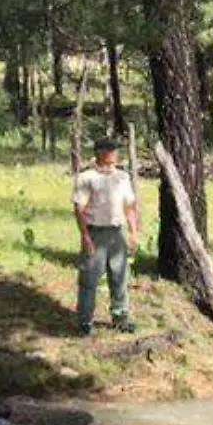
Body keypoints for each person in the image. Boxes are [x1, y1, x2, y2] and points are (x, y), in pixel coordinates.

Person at [74, 137, 141, 336]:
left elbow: (129, 206)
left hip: (117, 232)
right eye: (110, 149)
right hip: (96, 232)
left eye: (116, 149)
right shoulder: (87, 177)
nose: (114, 153)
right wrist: (85, 236)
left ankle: (120, 316)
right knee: (90, 278)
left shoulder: (122, 177)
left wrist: (134, 232)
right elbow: (79, 209)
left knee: (120, 276)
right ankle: (85, 321)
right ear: (99, 152)